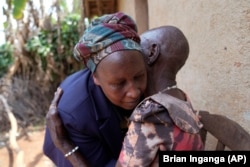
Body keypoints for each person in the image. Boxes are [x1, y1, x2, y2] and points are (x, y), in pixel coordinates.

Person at [43, 12, 148, 167]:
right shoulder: (74, 115)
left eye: (139, 77)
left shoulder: (151, 77)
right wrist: (64, 144)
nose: (134, 92)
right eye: (119, 83)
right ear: (95, 78)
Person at [116, 26, 204, 167]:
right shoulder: (181, 96)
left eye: (138, 47)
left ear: (152, 52)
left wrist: (66, 143)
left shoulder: (150, 112)